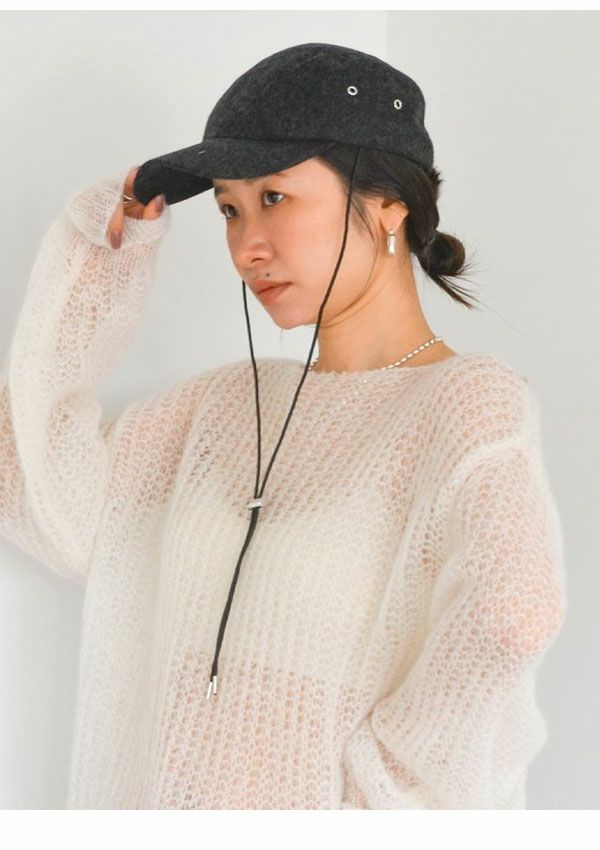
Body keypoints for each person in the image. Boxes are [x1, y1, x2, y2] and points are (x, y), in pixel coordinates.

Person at [0, 43, 566, 810]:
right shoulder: (218, 409)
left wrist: (373, 792)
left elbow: (515, 615)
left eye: (274, 197)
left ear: (388, 202)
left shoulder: (464, 405)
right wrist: (100, 251)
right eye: (229, 209)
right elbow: (29, 477)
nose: (246, 247)